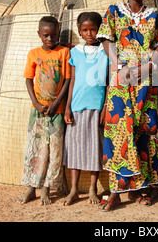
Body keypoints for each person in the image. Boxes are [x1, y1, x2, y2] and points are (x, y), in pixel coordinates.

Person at [96, 0, 158, 211]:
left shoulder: (154, 14)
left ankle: (141, 189)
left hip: (147, 80)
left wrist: (150, 66)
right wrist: (119, 67)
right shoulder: (114, 10)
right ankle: (116, 192)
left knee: (144, 132)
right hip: (121, 78)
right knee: (119, 132)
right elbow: (107, 39)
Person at [18, 16, 71, 205]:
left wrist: (57, 103)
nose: (50, 39)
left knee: (54, 151)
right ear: (39, 34)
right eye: (46, 35)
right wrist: (37, 104)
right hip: (37, 111)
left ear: (58, 33)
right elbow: (28, 80)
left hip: (57, 111)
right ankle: (31, 189)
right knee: (35, 149)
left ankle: (46, 190)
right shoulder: (33, 54)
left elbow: (66, 80)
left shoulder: (63, 52)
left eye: (54, 35)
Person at [62, 12, 108, 206]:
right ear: (80, 31)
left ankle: (92, 189)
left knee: (94, 149)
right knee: (74, 148)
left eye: (93, 29)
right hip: (77, 107)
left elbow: (108, 82)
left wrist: (105, 106)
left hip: (96, 107)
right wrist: (67, 107)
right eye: (85, 30)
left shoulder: (106, 51)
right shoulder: (75, 52)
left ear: (99, 30)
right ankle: (73, 190)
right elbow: (73, 80)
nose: (89, 33)